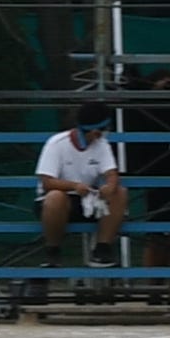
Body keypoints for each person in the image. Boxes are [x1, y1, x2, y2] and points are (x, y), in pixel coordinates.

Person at [31, 101, 128, 264]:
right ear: (94, 131)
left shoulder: (102, 145)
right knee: (56, 197)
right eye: (102, 131)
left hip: (88, 201)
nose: (103, 135)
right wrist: (74, 186)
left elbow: (111, 172)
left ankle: (102, 248)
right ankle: (52, 250)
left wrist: (109, 186)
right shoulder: (56, 143)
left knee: (120, 192)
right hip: (59, 203)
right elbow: (47, 182)